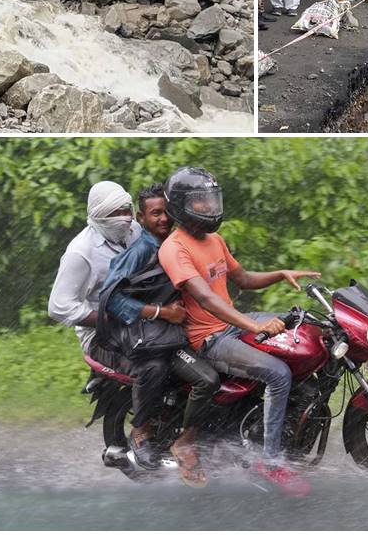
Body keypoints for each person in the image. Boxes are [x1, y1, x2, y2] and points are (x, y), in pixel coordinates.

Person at [159, 167, 320, 496]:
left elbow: (243, 279)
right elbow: (204, 298)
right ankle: (270, 460)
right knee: (277, 374)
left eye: (210, 201)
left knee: (307, 325)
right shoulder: (175, 248)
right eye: (200, 203)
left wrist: (280, 273)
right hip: (211, 339)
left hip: (233, 324)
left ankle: (290, 424)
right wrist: (255, 325)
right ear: (180, 206)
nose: (209, 208)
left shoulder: (214, 239)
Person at [96, 185, 220, 487]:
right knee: (194, 376)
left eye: (167, 212)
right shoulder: (141, 250)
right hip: (144, 337)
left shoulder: (177, 244)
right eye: (155, 214)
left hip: (174, 332)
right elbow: (110, 298)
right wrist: (161, 312)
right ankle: (144, 434)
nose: (164, 218)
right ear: (141, 217)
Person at [48, 181, 142, 355]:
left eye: (126, 210)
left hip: (143, 323)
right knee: (152, 367)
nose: (123, 218)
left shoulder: (135, 231)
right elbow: (58, 306)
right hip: (100, 335)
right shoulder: (81, 252)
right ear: (99, 216)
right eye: (114, 213)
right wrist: (109, 320)